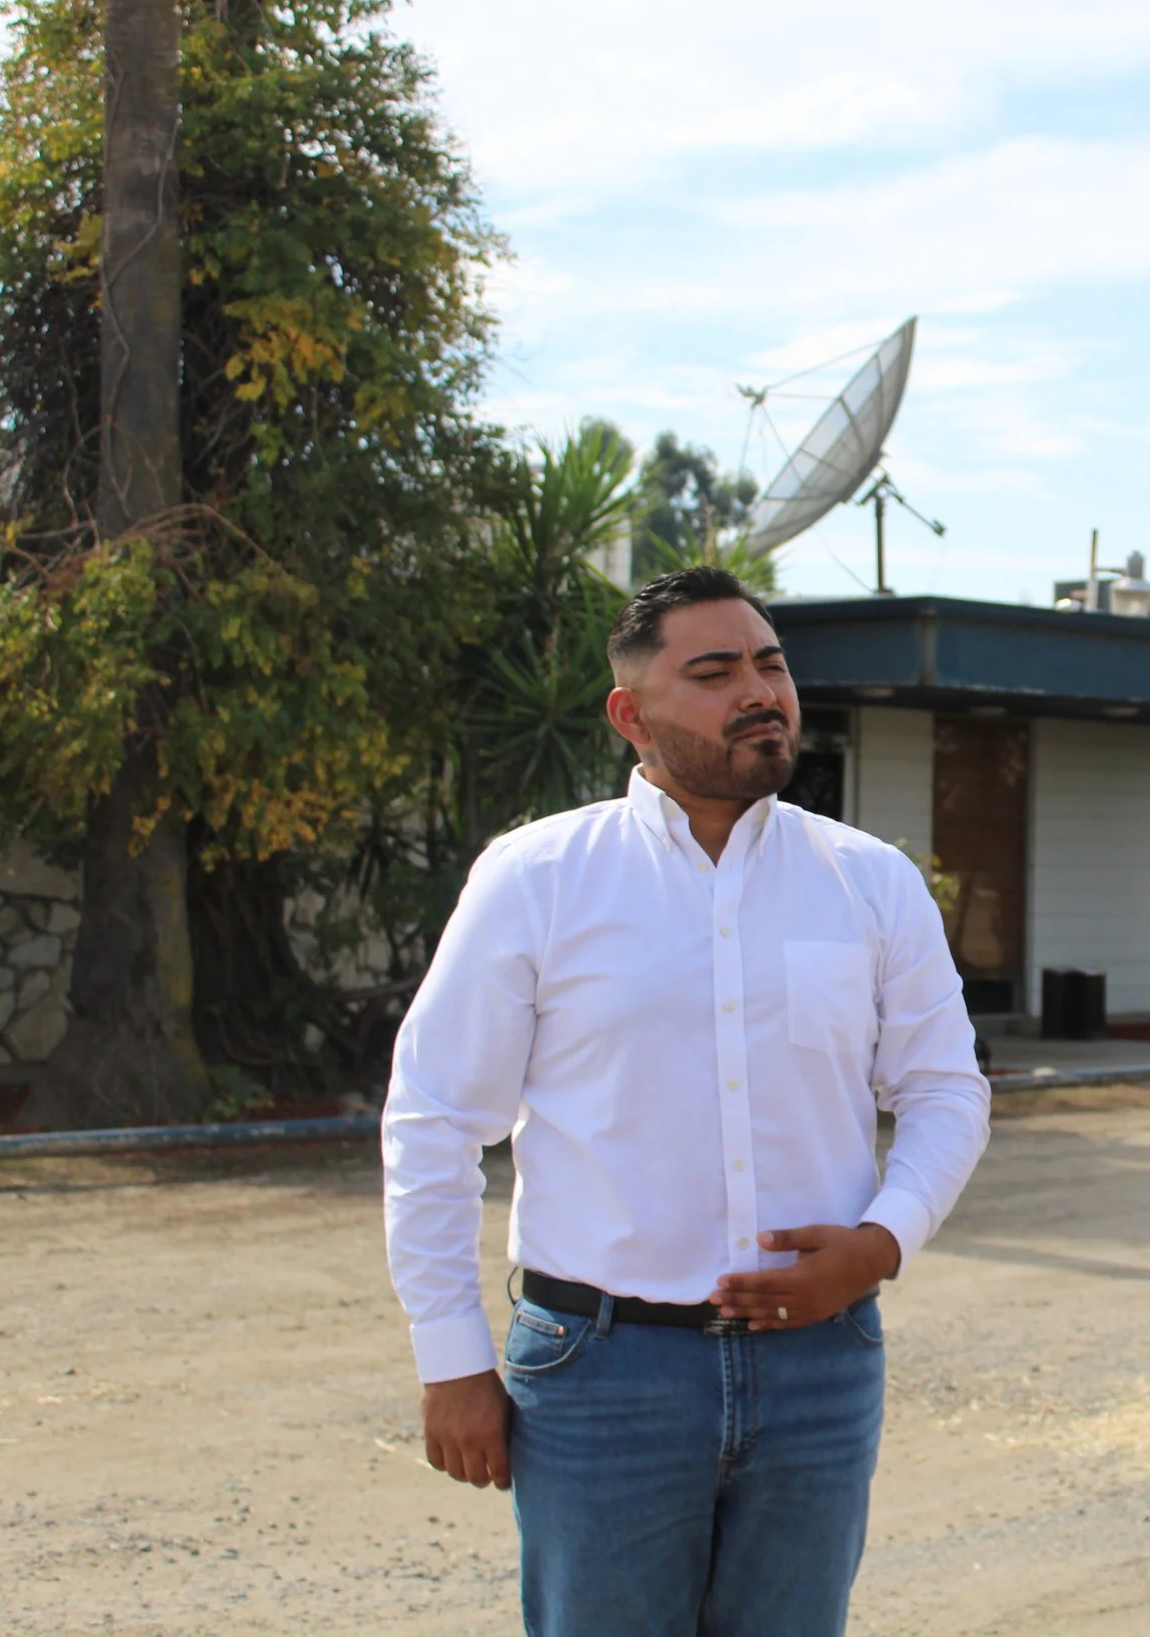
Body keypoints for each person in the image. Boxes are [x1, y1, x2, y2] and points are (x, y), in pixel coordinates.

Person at [381, 566, 990, 1636]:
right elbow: (433, 1118)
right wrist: (451, 1358)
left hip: (820, 1368)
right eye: (713, 672)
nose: (759, 691)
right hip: (600, 1372)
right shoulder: (539, 877)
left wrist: (881, 1241)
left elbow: (944, 1087)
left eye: (770, 663)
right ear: (632, 714)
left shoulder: (869, 879)